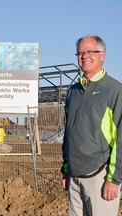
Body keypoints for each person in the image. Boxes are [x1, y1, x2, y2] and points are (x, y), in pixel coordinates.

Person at [61, 35, 122, 215]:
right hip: (74, 177)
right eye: (80, 53)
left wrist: (114, 179)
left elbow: (121, 138)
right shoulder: (73, 91)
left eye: (90, 51)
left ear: (102, 55)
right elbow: (69, 133)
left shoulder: (114, 90)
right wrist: (66, 169)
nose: (84, 56)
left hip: (100, 177)